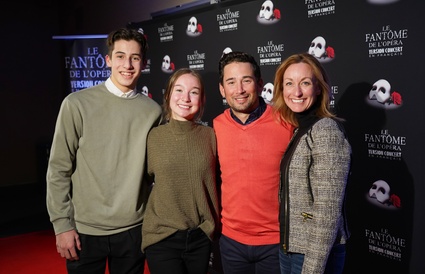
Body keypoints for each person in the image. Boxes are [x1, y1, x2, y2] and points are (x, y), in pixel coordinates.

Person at [46, 27, 162, 274]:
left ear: (144, 63)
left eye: (135, 58)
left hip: (133, 230)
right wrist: (61, 225)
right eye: (120, 56)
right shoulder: (76, 104)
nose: (127, 65)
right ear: (108, 60)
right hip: (84, 231)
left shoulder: (153, 111)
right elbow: (58, 170)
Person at [213, 51, 293, 274]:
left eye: (246, 80)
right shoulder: (216, 126)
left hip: (276, 243)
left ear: (259, 84)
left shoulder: (286, 123)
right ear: (222, 89)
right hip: (231, 242)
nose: (239, 90)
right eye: (231, 82)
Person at [272, 52, 351, 274]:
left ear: (318, 88)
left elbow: (327, 212)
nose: (296, 92)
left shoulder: (326, 131)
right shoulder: (302, 129)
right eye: (289, 83)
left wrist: (312, 269)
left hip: (313, 255)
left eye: (305, 83)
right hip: (291, 249)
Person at [141, 68, 219, 274]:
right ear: (168, 95)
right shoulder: (153, 137)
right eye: (179, 90)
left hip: (200, 238)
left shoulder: (211, 136)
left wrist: (207, 230)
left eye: (194, 92)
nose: (185, 98)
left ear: (201, 99)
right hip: (162, 237)